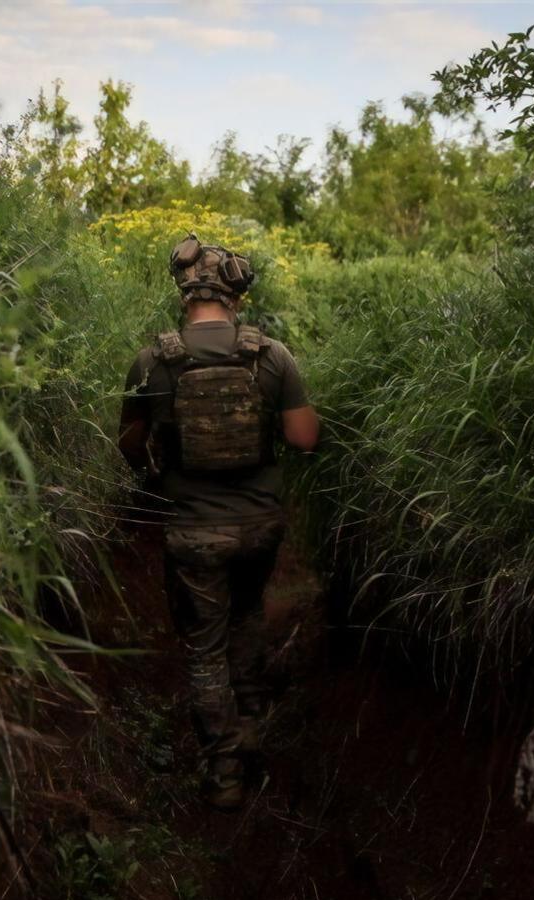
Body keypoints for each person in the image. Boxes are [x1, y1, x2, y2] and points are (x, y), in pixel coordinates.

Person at [117, 234, 319, 810]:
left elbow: (129, 446)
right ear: (234, 295)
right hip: (259, 526)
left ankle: (225, 768)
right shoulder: (271, 355)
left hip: (193, 532)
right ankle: (253, 715)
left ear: (183, 293)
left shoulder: (153, 360)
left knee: (204, 649)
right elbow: (305, 439)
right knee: (249, 611)